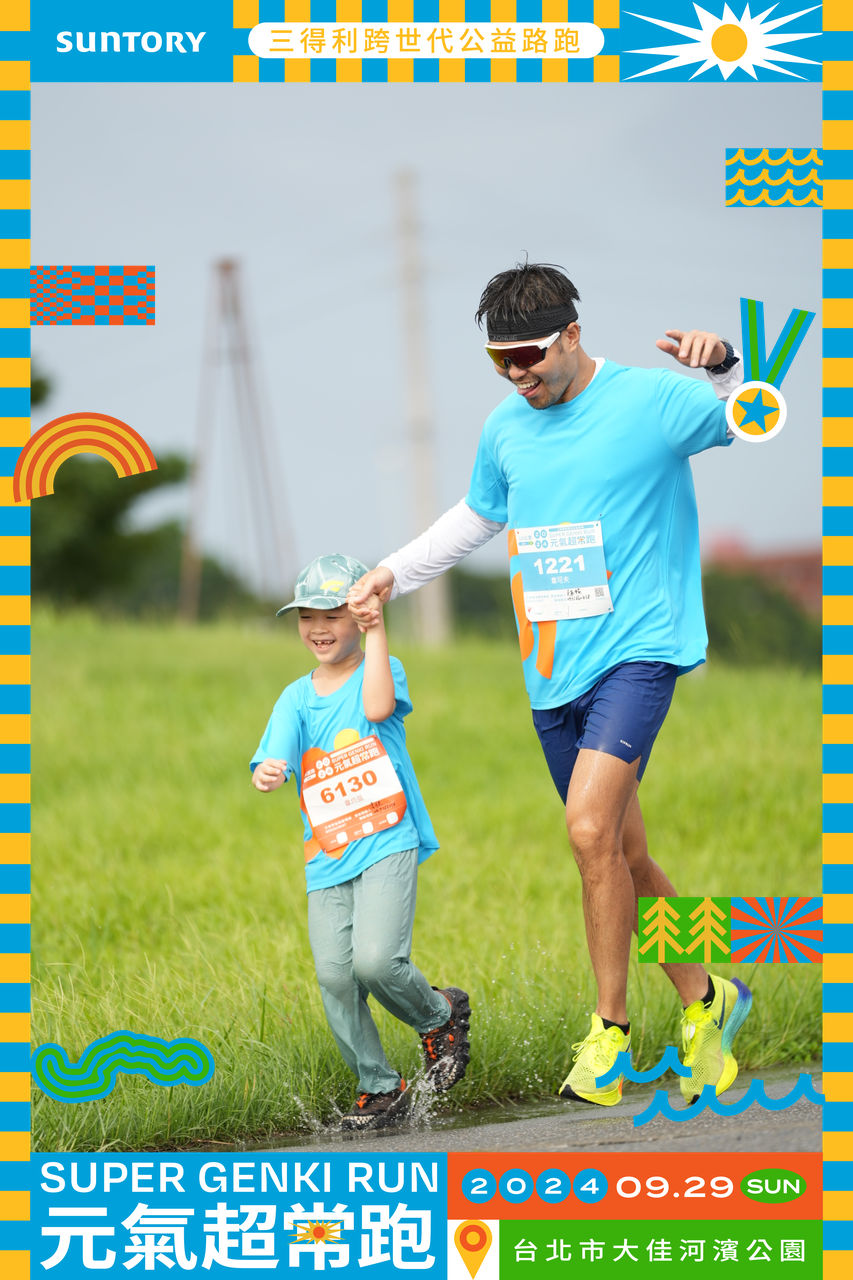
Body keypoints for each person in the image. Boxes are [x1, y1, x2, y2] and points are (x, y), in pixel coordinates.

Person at [349, 262, 753, 1109]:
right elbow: (477, 515)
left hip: (639, 651)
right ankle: (706, 997)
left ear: (571, 334)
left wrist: (722, 368)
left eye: (528, 354)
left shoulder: (649, 399)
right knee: (621, 853)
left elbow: (747, 420)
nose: (515, 373)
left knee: (585, 829)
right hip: (551, 670)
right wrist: (392, 571)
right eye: (499, 360)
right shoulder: (505, 427)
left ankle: (609, 1033)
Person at [251, 552, 470, 1130]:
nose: (318, 629)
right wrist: (269, 770)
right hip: (327, 855)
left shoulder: (384, 668)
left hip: (387, 839)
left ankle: (439, 1016)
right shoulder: (296, 697)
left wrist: (376, 631)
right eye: (306, 618)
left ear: (358, 615)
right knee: (335, 976)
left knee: (376, 962)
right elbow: (274, 753)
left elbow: (377, 707)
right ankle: (379, 1085)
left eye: (332, 615)